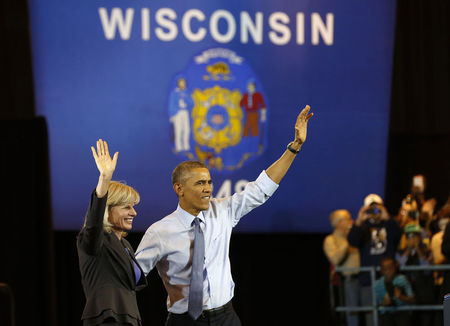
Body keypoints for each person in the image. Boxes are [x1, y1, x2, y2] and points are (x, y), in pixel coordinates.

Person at [136, 105, 313, 326]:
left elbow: (261, 189)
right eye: (200, 183)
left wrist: (294, 147)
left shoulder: (223, 211)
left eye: (209, 182)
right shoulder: (160, 232)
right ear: (179, 189)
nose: (208, 189)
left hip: (225, 318)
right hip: (184, 321)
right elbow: (131, 275)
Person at [77, 139, 147, 326]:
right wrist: (105, 179)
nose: (134, 213)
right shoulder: (93, 239)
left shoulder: (125, 245)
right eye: (126, 207)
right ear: (108, 210)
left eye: (133, 207)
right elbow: (93, 224)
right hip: (107, 318)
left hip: (129, 318)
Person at [347, 193, 402, 326]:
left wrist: (387, 218)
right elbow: (352, 241)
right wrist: (359, 221)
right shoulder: (363, 227)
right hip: (368, 280)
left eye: (377, 208)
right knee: (372, 319)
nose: (374, 212)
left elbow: (397, 236)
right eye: (370, 209)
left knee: (390, 318)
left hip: (388, 280)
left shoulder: (389, 224)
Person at [323, 209, 360, 326]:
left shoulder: (356, 238)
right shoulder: (330, 240)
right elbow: (335, 259)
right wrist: (348, 241)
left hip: (364, 279)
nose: (351, 221)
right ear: (339, 223)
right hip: (347, 282)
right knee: (351, 315)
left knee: (370, 311)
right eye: (348, 219)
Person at [396, 223, 434, 326]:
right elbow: (398, 268)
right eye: (409, 236)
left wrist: (418, 250)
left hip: (424, 293)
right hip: (407, 294)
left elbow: (427, 270)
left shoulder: (427, 251)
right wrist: (408, 251)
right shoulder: (399, 252)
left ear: (420, 237)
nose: (412, 239)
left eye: (415, 235)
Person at [375, 257, 415, 326]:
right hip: (386, 315)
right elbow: (374, 306)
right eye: (385, 269)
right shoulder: (377, 284)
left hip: (401, 313)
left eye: (390, 268)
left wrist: (401, 297)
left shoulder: (402, 280)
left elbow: (413, 299)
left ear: (395, 267)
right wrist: (383, 303)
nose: (388, 271)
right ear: (381, 270)